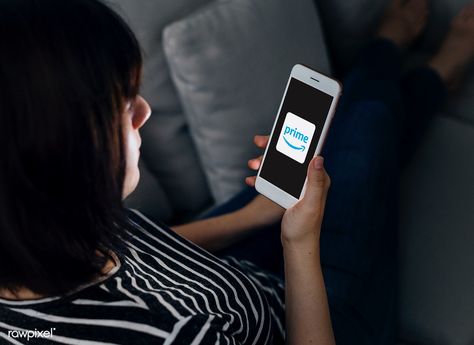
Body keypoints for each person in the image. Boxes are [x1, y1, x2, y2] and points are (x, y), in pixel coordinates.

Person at [0, 0, 473, 344]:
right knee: (365, 127)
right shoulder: (181, 336)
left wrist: (256, 216)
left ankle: (400, 61)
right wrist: (298, 242)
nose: (144, 111)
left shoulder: (35, 228)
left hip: (230, 276)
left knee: (336, 141)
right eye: (123, 108)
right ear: (60, 153)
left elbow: (146, 254)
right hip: (314, 319)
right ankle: (412, 65)